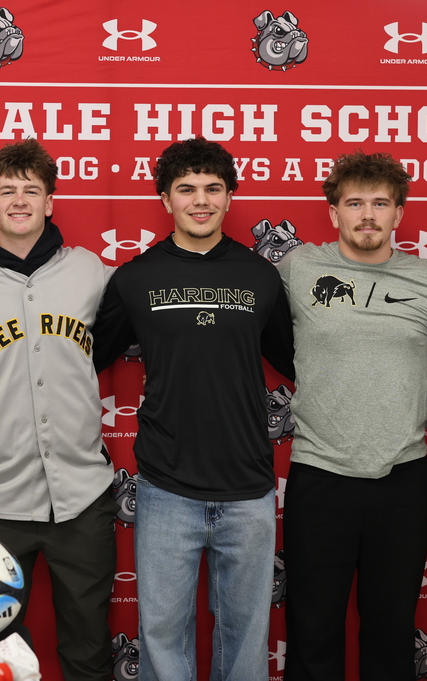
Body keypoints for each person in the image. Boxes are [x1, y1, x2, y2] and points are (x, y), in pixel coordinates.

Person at [93, 136, 295, 681]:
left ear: (229, 197)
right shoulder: (135, 278)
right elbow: (83, 358)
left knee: (246, 639)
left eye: (212, 188)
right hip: (166, 487)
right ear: (166, 199)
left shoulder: (261, 276)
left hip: (248, 486)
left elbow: (297, 362)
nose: (200, 200)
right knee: (162, 639)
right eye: (186, 189)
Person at [0, 139, 116, 677]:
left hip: (82, 496)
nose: (19, 200)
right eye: (6, 190)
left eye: (31, 190)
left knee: (88, 648)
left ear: (50, 202)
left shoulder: (89, 270)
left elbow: (133, 331)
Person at [277, 150, 427, 680]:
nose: (368, 215)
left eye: (381, 203)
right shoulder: (298, 268)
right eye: (354, 203)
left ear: (399, 212)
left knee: (391, 629)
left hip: (401, 476)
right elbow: (252, 335)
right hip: (319, 474)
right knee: (312, 630)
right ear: (334, 212)